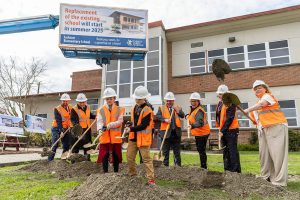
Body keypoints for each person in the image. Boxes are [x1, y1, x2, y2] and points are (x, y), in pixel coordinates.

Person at [244, 80, 288, 186]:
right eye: (255, 89)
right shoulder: (257, 106)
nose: (257, 90)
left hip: (276, 127)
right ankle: (266, 177)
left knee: (278, 155)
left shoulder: (268, 96)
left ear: (265, 89)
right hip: (263, 130)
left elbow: (262, 104)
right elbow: (256, 121)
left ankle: (279, 181)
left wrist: (247, 110)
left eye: (260, 87)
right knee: (264, 155)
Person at [124, 86, 155, 186]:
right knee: (129, 157)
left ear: (144, 98)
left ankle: (151, 179)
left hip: (143, 139)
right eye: (136, 98)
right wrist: (129, 124)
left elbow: (143, 125)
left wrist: (131, 129)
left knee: (146, 159)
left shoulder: (147, 110)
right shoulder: (134, 107)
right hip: (134, 137)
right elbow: (134, 121)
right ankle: (132, 175)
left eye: (139, 98)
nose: (137, 100)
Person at [96, 88, 124, 173]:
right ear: (105, 99)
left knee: (116, 155)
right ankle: (105, 173)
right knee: (105, 154)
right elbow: (99, 122)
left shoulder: (120, 109)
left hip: (115, 136)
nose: (109, 100)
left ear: (114, 98)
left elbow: (120, 121)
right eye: (107, 99)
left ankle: (116, 172)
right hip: (105, 136)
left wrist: (109, 125)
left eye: (111, 98)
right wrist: (100, 129)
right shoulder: (100, 110)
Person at [215, 85, 241, 173]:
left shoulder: (230, 103)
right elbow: (220, 117)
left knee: (232, 151)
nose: (219, 96)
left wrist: (222, 130)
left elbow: (230, 118)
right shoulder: (220, 104)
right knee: (226, 151)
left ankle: (235, 171)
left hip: (231, 130)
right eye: (219, 94)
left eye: (221, 94)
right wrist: (220, 129)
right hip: (224, 131)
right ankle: (227, 170)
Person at [156, 92, 185, 167]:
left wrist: (177, 111)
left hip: (176, 133)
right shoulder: (161, 108)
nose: (168, 102)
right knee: (165, 151)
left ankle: (177, 166)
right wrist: (165, 120)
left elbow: (182, 115)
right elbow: (157, 116)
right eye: (167, 101)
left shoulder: (177, 107)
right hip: (165, 133)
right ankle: (166, 166)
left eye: (170, 100)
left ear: (173, 101)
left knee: (177, 151)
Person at [187, 92, 210, 170]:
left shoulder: (199, 111)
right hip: (199, 133)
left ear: (198, 102)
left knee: (201, 150)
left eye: (195, 101)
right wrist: (187, 116)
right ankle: (203, 166)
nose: (193, 103)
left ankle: (204, 167)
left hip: (202, 133)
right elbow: (191, 117)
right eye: (192, 101)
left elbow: (199, 122)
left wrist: (192, 126)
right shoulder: (193, 109)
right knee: (200, 150)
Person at [70, 93, 96, 161]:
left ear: (86, 101)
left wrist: (96, 116)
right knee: (76, 146)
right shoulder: (74, 109)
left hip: (87, 129)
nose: (82, 104)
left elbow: (90, 115)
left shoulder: (88, 107)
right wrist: (79, 133)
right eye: (80, 102)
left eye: (83, 102)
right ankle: (74, 162)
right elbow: (74, 121)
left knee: (87, 146)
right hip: (79, 130)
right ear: (78, 102)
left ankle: (87, 161)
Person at [48, 93, 72, 161]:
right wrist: (61, 131)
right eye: (63, 101)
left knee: (66, 145)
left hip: (66, 128)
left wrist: (71, 126)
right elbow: (58, 121)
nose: (65, 102)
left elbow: (72, 118)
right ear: (61, 101)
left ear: (68, 101)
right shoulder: (57, 109)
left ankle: (63, 161)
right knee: (55, 145)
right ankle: (50, 161)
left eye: (66, 101)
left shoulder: (70, 107)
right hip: (56, 128)